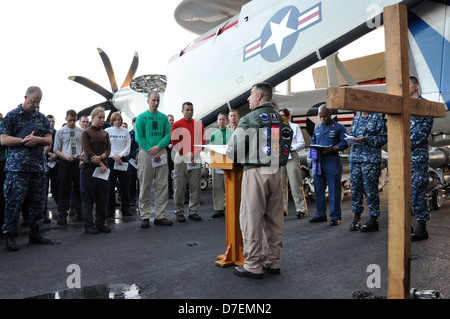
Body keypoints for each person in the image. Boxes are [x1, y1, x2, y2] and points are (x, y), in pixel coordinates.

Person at [226, 82, 293, 279]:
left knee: (251, 218)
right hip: (276, 172)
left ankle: (253, 264)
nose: (248, 99)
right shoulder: (282, 120)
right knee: (274, 219)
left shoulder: (249, 119)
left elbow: (232, 150)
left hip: (255, 172)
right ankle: (274, 261)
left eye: (250, 95)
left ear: (258, 97)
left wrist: (241, 158)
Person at [1, 86, 57, 251]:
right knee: (14, 202)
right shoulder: (12, 116)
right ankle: (9, 235)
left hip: (38, 168)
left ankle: (35, 232)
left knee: (38, 201)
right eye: (33, 102)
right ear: (25, 98)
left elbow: (48, 140)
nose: (35, 105)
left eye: (38, 103)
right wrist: (23, 141)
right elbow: (3, 140)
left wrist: (37, 139)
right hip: (17, 168)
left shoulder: (41, 118)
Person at [135, 92, 172, 227]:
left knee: (162, 185)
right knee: (145, 185)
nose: (156, 103)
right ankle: (145, 216)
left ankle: (160, 215)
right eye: (153, 100)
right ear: (148, 101)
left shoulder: (163, 118)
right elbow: (139, 137)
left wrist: (159, 147)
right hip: (146, 153)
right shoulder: (142, 117)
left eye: (158, 100)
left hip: (161, 152)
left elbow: (167, 134)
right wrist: (151, 149)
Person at [308, 105, 348, 226]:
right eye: (321, 117)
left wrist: (332, 149)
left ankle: (335, 216)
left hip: (332, 161)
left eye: (325, 116)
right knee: (319, 189)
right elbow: (313, 142)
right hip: (319, 162)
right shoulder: (318, 128)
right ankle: (320, 214)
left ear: (330, 113)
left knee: (334, 190)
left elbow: (345, 142)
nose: (323, 119)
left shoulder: (339, 127)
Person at [348, 111, 387, 232]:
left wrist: (366, 139)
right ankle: (357, 217)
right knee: (355, 189)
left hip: (369, 160)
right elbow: (352, 135)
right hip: (355, 159)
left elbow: (383, 138)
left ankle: (373, 218)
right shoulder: (356, 118)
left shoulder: (377, 118)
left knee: (371, 190)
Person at [171, 102, 205, 222]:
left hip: (195, 157)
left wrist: (193, 154)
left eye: (191, 110)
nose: (190, 112)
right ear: (182, 111)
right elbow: (175, 142)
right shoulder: (176, 125)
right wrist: (187, 153)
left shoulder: (199, 125)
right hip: (181, 157)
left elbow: (202, 143)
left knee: (195, 186)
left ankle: (193, 211)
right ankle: (179, 212)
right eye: (187, 110)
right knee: (179, 186)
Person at [409, 76, 434, 241]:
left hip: (417, 157)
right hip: (402, 158)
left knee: (418, 191)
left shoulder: (424, 106)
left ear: (416, 86)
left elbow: (422, 132)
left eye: (408, 85)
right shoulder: (403, 105)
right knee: (404, 192)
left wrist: (402, 143)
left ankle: (422, 227)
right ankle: (406, 225)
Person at [80, 107, 111, 234]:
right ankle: (88, 225)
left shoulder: (105, 133)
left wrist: (101, 158)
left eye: (103, 118)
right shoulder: (86, 133)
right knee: (88, 198)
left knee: (102, 197)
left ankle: (100, 223)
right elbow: (87, 151)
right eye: (99, 118)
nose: (102, 120)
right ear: (92, 118)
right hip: (89, 169)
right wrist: (100, 163)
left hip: (103, 169)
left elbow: (108, 150)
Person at [53, 109, 84, 224]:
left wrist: (80, 156)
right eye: (70, 120)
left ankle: (80, 212)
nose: (72, 123)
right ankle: (62, 214)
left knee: (79, 188)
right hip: (65, 163)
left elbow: (85, 147)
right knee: (63, 189)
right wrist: (66, 157)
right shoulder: (60, 131)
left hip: (78, 163)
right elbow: (56, 149)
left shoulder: (81, 131)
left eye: (74, 120)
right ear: (66, 119)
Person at [279, 108, 308, 219]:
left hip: (291, 156)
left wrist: (291, 147)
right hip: (280, 158)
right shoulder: (276, 128)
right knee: (281, 185)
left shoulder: (295, 127)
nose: (281, 118)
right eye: (280, 116)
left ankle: (301, 209)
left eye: (283, 116)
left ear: (287, 116)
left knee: (295, 183)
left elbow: (302, 143)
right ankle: (282, 209)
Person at [105, 112, 131, 217]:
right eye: (115, 119)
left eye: (119, 119)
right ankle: (110, 209)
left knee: (125, 185)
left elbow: (128, 146)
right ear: (112, 121)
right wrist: (114, 156)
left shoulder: (126, 132)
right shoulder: (107, 131)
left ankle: (126, 208)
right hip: (111, 159)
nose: (117, 121)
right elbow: (106, 146)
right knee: (110, 185)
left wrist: (120, 156)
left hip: (123, 160)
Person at [209, 112, 234, 218]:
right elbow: (210, 147)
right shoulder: (214, 134)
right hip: (217, 163)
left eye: (223, 119)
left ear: (227, 121)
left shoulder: (232, 132)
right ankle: (218, 209)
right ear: (217, 121)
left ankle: (230, 207)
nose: (222, 121)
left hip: (228, 162)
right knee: (217, 187)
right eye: (220, 120)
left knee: (229, 186)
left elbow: (234, 146)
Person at [128, 117, 139, 206]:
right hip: (131, 161)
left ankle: (140, 198)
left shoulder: (142, 134)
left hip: (141, 160)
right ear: (132, 123)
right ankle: (132, 198)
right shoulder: (129, 134)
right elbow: (128, 148)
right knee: (132, 180)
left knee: (141, 181)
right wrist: (135, 157)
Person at [166, 114, 175, 199]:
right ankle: (169, 191)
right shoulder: (164, 130)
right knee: (168, 173)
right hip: (168, 153)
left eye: (172, 120)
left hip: (175, 153)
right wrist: (167, 145)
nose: (171, 122)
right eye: (170, 120)